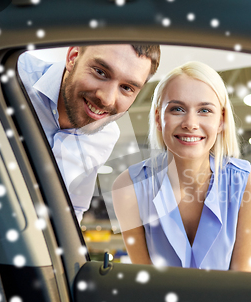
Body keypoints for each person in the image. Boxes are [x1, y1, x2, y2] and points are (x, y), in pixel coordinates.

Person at [112, 61, 251, 271]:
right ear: (158, 118)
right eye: (177, 109)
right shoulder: (128, 187)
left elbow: (241, 284)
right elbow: (145, 283)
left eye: (204, 110)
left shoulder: (247, 182)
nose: (190, 123)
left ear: (221, 120)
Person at [18, 44, 161, 222]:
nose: (107, 99)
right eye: (100, 72)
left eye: (126, 88)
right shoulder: (13, 73)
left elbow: (73, 208)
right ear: (73, 56)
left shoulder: (106, 136)